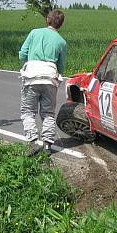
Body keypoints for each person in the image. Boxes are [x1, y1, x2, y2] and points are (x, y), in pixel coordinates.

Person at [19, 9, 67, 155]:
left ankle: (33, 141)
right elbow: (62, 66)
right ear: (60, 25)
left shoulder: (34, 33)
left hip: (32, 75)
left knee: (28, 111)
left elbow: (22, 54)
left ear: (47, 20)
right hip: (50, 77)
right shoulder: (61, 41)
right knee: (48, 113)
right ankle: (47, 145)